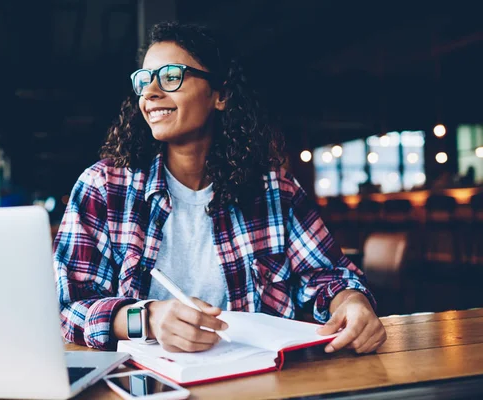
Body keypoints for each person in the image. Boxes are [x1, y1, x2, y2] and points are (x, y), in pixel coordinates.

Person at [53, 22, 386, 355]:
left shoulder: (273, 189)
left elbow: (327, 275)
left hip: (257, 381)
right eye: (144, 81)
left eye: (170, 76)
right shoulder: (104, 188)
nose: (151, 93)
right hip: (143, 383)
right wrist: (149, 317)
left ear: (221, 95)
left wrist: (351, 302)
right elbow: (66, 307)